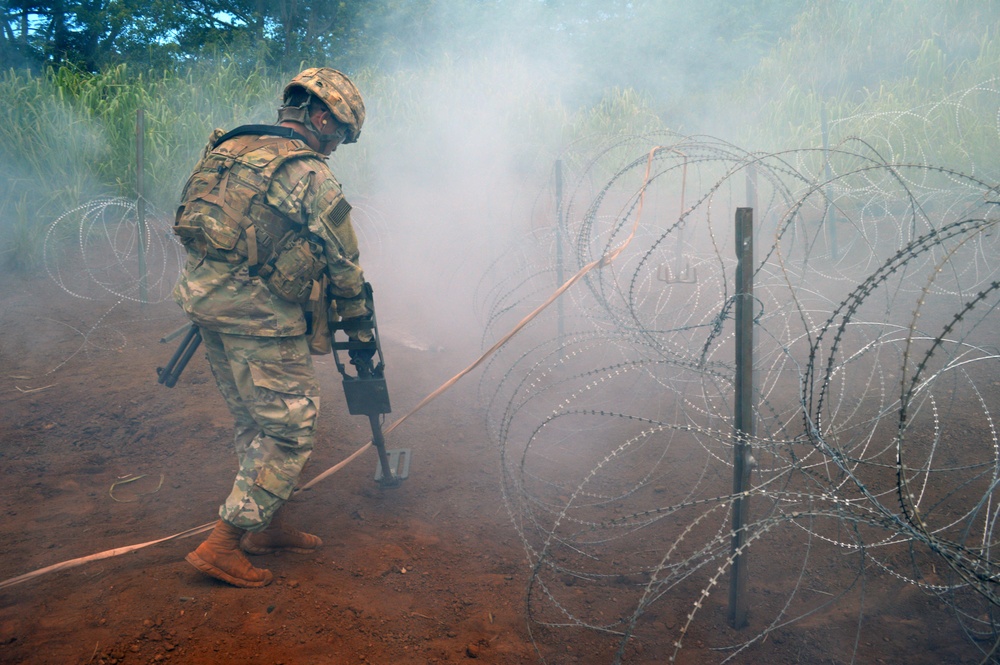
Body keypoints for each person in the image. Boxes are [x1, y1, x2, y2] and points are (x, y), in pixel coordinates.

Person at [171, 67, 373, 587]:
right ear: (321, 115)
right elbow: (343, 263)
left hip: (207, 306)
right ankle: (223, 543)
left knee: (256, 423)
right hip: (259, 320)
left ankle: (265, 523)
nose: (336, 147)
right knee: (291, 430)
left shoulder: (229, 147)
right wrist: (360, 326)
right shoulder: (306, 172)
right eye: (339, 134)